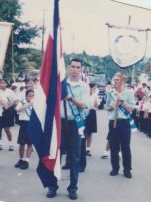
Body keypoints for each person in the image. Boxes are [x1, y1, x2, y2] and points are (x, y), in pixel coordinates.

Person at [47, 58, 89, 200]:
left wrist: (70, 98)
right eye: (73, 67)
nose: (75, 70)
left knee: (75, 157)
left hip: (74, 124)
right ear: (69, 68)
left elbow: (83, 105)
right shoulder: (60, 84)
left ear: (81, 69)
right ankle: (53, 185)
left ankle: (73, 188)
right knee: (56, 155)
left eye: (78, 67)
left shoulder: (84, 86)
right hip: (59, 122)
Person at [106, 72, 134, 179]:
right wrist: (112, 105)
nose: (115, 82)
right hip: (113, 121)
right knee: (114, 146)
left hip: (124, 122)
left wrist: (122, 100)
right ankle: (115, 168)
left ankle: (127, 169)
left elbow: (130, 109)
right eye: (115, 80)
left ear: (123, 81)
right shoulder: (110, 92)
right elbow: (106, 107)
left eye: (117, 80)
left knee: (125, 147)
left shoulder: (129, 92)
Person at [14, 89, 34, 170]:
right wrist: (29, 104)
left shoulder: (36, 103)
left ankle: (27, 160)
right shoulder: (22, 102)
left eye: (33, 96)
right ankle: (21, 159)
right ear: (26, 96)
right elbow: (18, 109)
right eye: (30, 96)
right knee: (21, 143)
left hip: (32, 124)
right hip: (24, 124)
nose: (31, 97)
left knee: (30, 143)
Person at [0, 79, 19, 151]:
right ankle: (0, 143)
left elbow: (16, 101)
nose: (1, 84)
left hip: (8, 110)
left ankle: (11, 144)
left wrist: (8, 106)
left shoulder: (10, 91)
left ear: (6, 84)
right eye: (0, 83)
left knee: (7, 129)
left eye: (3, 83)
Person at [85, 83, 99, 157]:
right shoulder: (85, 93)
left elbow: (96, 105)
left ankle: (88, 148)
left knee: (90, 131)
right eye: (94, 88)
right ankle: (81, 147)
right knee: (83, 131)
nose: (95, 89)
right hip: (84, 111)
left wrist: (95, 95)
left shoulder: (94, 95)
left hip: (92, 112)